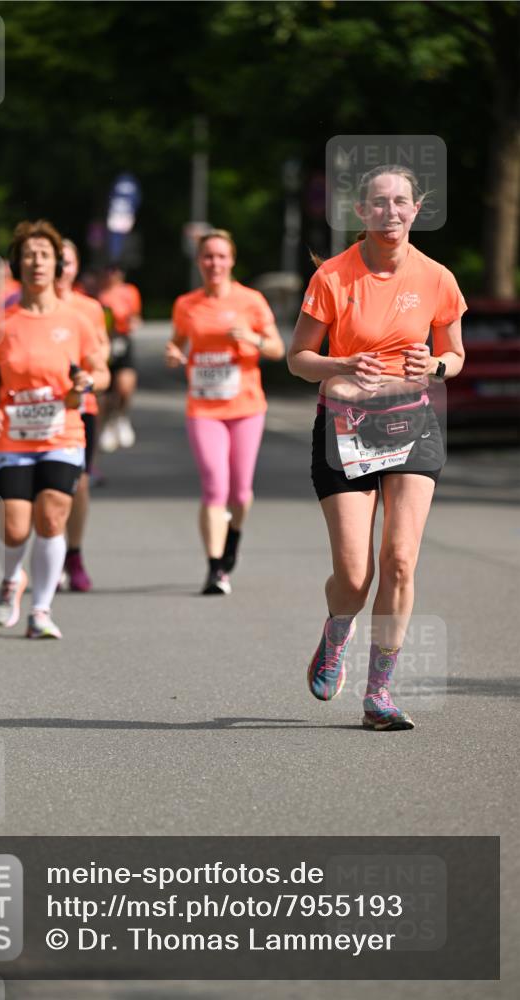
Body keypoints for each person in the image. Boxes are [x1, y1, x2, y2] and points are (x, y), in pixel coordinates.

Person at [287, 164, 466, 731]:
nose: (391, 212)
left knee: (402, 560)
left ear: (418, 209)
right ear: (361, 213)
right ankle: (337, 630)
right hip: (345, 428)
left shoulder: (437, 277)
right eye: (379, 203)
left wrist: (436, 364)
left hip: (412, 425)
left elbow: (454, 355)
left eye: (401, 202)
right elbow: (298, 359)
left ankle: (379, 694)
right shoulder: (334, 278)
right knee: (355, 574)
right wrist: (340, 362)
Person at [0, 220, 109, 639]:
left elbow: (100, 370)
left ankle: (42, 611)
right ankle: (13, 579)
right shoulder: (1, 322)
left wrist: (88, 382)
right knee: (15, 527)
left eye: (45, 255)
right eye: (29, 255)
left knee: (51, 518)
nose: (37, 262)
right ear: (18, 264)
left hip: (63, 432)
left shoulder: (79, 318)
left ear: (57, 264)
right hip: (12, 435)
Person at [166, 229, 285, 595]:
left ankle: (234, 533)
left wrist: (252, 339)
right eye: (207, 257)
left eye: (220, 256)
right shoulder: (187, 304)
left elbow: (278, 349)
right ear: (198, 261)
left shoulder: (251, 301)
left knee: (241, 492)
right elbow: (177, 342)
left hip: (246, 407)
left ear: (231, 260)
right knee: (214, 484)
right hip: (203, 407)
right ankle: (215, 568)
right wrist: (173, 353)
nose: (214, 263)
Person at [56, 239, 110, 591]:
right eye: (54, 259)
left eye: (68, 260)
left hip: (80, 408)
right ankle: (51, 549)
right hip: (35, 409)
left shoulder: (89, 308)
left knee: (79, 482)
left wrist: (87, 379)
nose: (61, 266)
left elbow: (101, 355)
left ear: (77, 267)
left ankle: (72, 555)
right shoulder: (18, 307)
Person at [97, 263, 142, 451]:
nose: (112, 275)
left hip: (121, 342)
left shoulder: (129, 292)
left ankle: (121, 416)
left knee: (125, 386)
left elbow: (136, 316)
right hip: (102, 343)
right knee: (106, 394)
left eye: (115, 271)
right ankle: (107, 424)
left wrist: (133, 323)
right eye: (108, 271)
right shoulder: (97, 293)